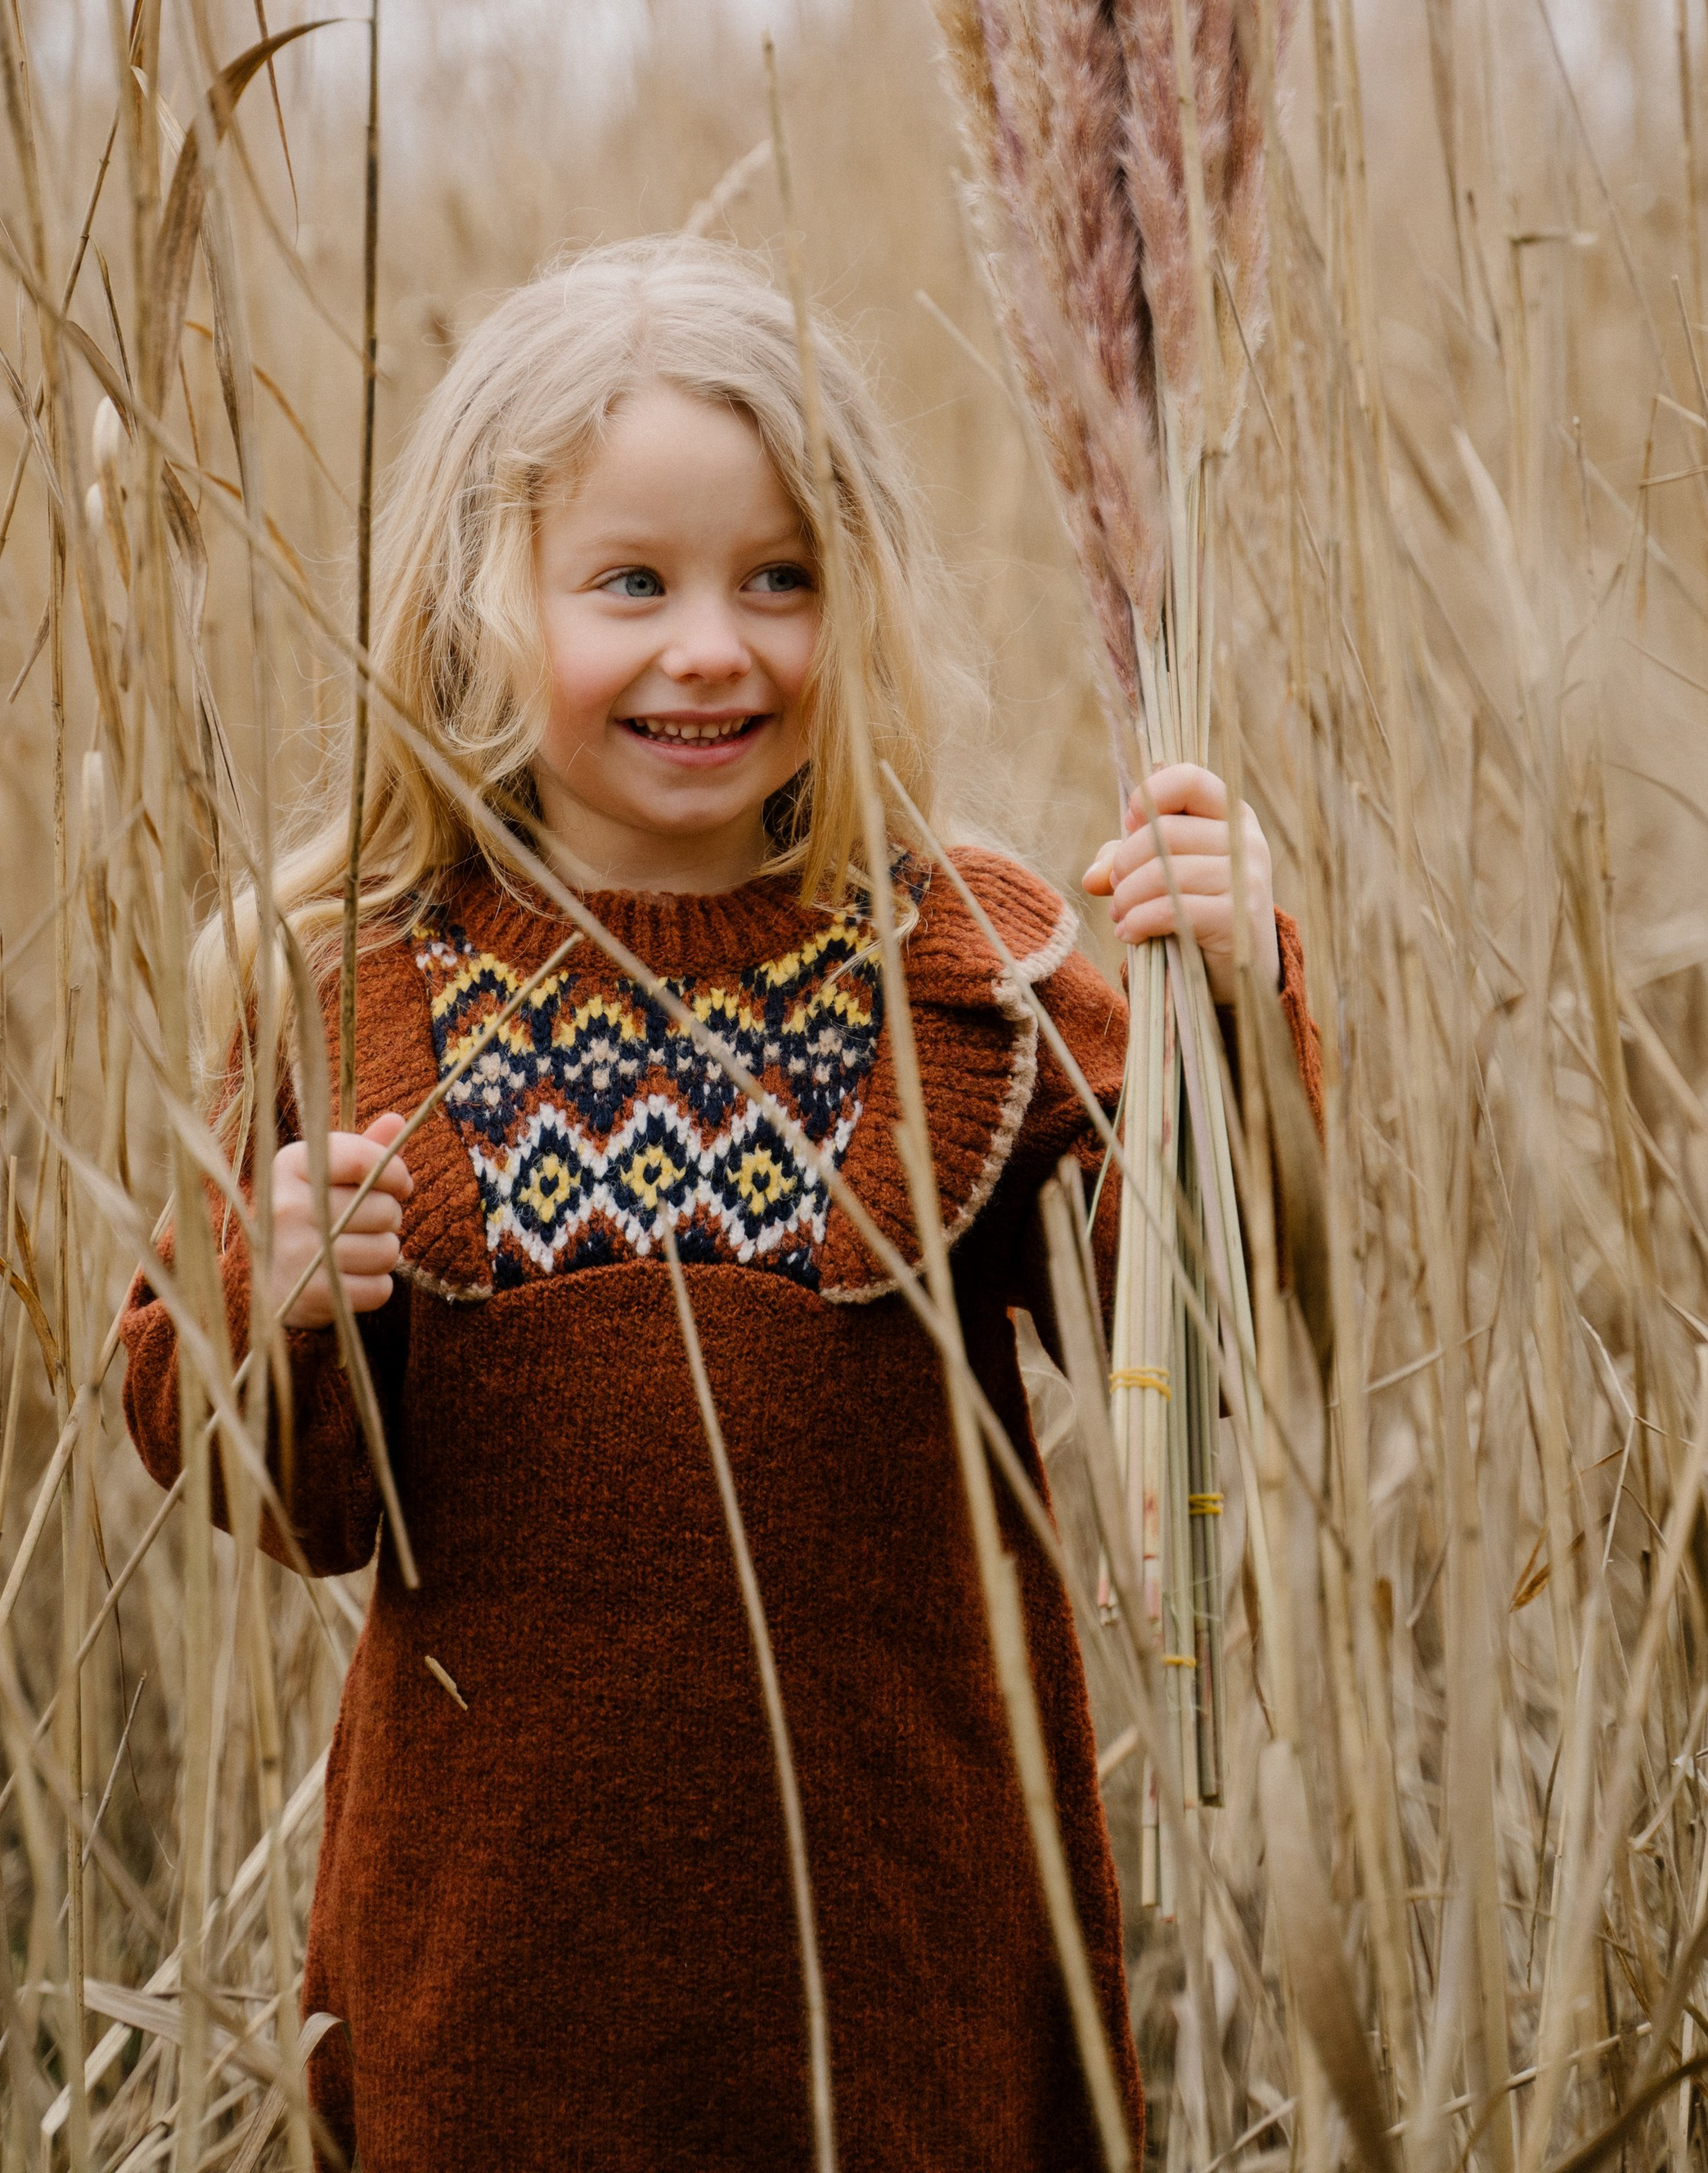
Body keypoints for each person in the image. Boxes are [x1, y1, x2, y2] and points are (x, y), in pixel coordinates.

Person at [121, 234, 1322, 2172]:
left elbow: (1192, 1314)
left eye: (782, 578)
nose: (715, 645)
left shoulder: (962, 963)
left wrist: (1233, 1014)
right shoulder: (350, 990)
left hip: (907, 1965)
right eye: (630, 583)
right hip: (493, 1996)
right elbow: (306, 1510)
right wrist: (262, 1308)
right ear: (473, 608)